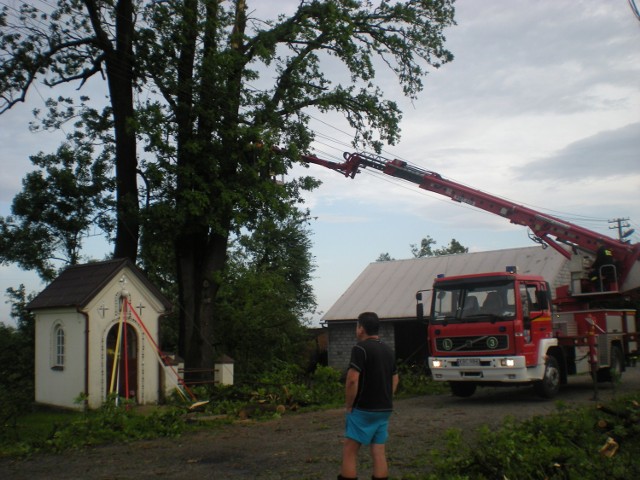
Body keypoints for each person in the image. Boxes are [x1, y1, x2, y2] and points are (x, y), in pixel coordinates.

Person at [339, 312, 399, 480]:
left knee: (350, 450)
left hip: (363, 409)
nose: (357, 330)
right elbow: (395, 378)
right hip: (384, 408)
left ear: (361, 329)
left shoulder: (360, 348)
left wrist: (350, 405)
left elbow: (352, 380)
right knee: (378, 450)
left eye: (357, 326)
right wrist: (387, 397)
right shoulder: (388, 350)